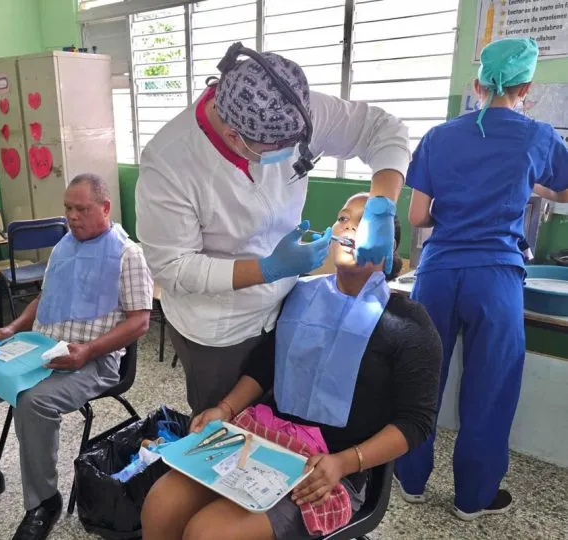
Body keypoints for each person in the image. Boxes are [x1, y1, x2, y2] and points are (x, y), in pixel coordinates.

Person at [140, 193, 442, 540]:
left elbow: (416, 421)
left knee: (209, 533)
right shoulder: (300, 295)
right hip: (262, 439)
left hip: (329, 468)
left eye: (364, 225)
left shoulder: (409, 324)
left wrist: (344, 462)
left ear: (388, 247)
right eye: (343, 219)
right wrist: (224, 409)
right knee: (161, 503)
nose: (348, 228)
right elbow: (266, 365)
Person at [135, 44, 410, 416]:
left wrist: (382, 205)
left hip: (288, 305)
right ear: (235, 137)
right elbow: (174, 268)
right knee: (224, 429)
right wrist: (267, 269)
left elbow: (384, 129)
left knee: (283, 417)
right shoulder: (169, 162)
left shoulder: (293, 104)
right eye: (278, 148)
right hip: (221, 327)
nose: (292, 153)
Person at [395, 38, 568, 521]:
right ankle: (472, 499)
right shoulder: (537, 136)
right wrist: (526, 181)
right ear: (526, 88)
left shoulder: (438, 136)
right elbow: (566, 188)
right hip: (496, 278)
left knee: (421, 377)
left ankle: (408, 479)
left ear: (476, 85)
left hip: (438, 274)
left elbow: (418, 215)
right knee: (490, 388)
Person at [0, 174, 154, 540]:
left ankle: (43, 502)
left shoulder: (128, 254)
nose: (72, 216)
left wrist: (88, 352)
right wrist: (14, 328)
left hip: (94, 359)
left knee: (33, 403)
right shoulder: (64, 246)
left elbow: (140, 322)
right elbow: (43, 299)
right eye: (68, 208)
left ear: (105, 208)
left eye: (81, 209)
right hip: (39, 348)